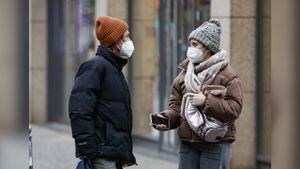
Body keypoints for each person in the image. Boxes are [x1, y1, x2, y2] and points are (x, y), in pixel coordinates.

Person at [152, 19, 243, 169]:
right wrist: (166, 119)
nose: (190, 49)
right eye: (190, 44)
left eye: (195, 44)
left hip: (216, 144)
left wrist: (206, 101)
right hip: (188, 144)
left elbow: (234, 109)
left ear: (207, 48)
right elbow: (176, 108)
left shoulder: (228, 75)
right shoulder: (183, 76)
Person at [69, 16, 136, 169]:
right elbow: (79, 110)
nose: (129, 41)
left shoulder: (113, 68)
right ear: (116, 41)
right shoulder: (95, 67)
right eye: (126, 36)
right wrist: (89, 148)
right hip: (101, 154)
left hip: (111, 153)